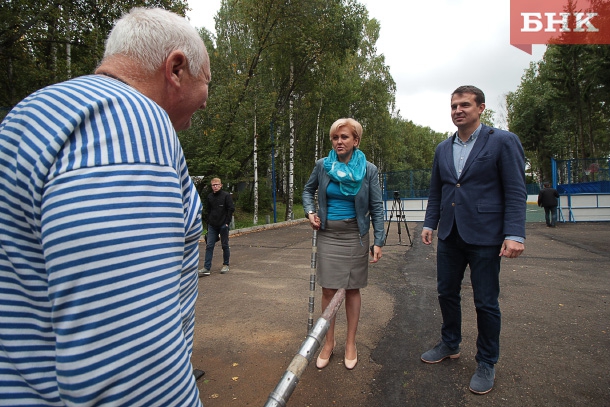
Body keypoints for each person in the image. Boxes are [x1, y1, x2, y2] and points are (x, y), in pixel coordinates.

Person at [0, 8, 210, 406]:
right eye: (206, 83)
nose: (204, 103)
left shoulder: (29, 115)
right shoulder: (130, 122)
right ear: (176, 69)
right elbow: (125, 366)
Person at [420, 85, 527, 395]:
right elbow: (437, 190)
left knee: (486, 302)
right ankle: (450, 343)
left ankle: (486, 361)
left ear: (480, 108)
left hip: (486, 236)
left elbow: (516, 190)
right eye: (454, 105)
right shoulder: (443, 148)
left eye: (465, 105)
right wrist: (429, 223)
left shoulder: (502, 141)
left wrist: (514, 234)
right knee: (446, 292)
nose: (458, 110)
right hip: (450, 234)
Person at [302, 118, 384, 371]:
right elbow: (307, 191)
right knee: (328, 289)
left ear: (355, 140)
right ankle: (328, 342)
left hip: (355, 235)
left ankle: (350, 343)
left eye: (344, 137)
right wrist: (310, 212)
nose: (339, 141)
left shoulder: (368, 170)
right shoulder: (322, 166)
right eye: (335, 137)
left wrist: (378, 240)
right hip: (328, 235)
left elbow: (376, 206)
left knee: (352, 289)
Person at [198, 177, 235, 276]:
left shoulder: (226, 196)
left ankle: (226, 264)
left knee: (225, 245)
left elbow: (231, 209)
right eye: (213, 185)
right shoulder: (210, 196)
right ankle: (206, 268)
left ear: (221, 185)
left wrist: (227, 222)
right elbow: (208, 210)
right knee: (209, 246)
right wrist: (208, 223)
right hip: (212, 225)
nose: (215, 186)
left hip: (223, 224)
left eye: (217, 185)